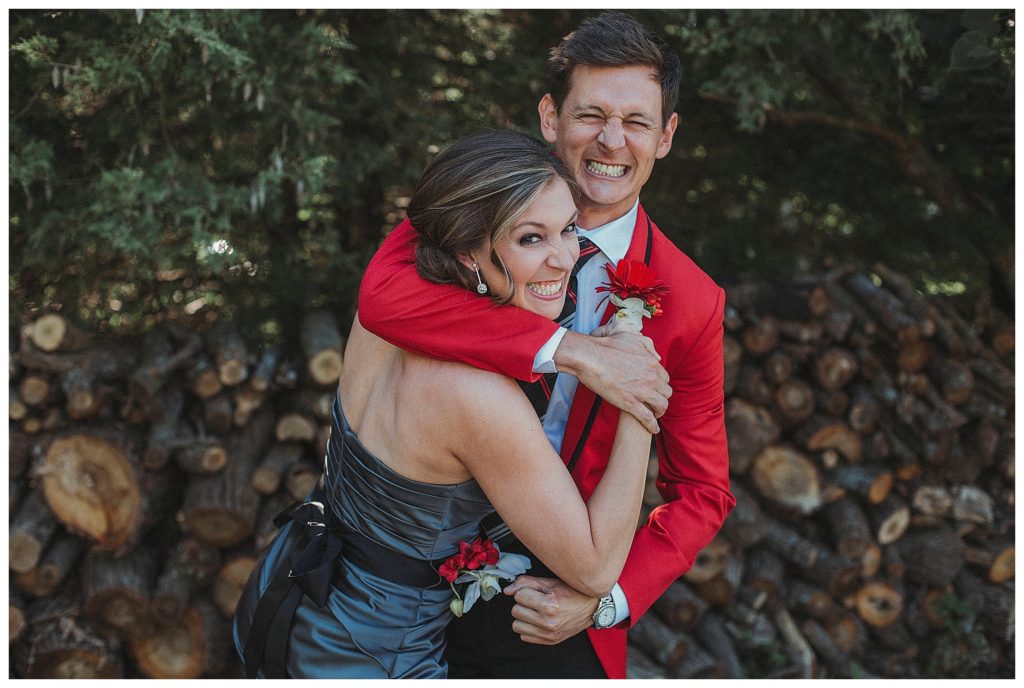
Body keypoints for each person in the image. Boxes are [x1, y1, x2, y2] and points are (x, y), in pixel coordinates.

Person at [357, 11, 735, 679]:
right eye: (590, 115)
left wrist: (604, 601)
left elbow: (703, 489)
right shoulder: (476, 200)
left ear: (667, 136)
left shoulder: (692, 298)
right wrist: (572, 349)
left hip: (555, 593)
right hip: (409, 564)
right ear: (550, 118)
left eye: (638, 123)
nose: (611, 141)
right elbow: (385, 297)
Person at [233, 130, 657, 678]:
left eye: (568, 229)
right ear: (465, 251)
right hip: (376, 651)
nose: (564, 259)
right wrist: (637, 395)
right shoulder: (475, 396)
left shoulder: (387, 312)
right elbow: (597, 567)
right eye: (531, 239)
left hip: (293, 588)